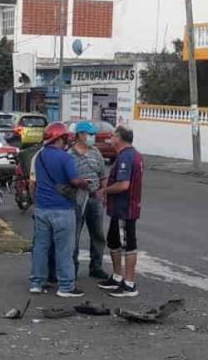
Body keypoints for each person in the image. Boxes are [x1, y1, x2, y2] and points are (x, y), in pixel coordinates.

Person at [29, 122, 88, 298]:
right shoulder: (65, 158)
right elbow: (74, 180)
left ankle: (36, 283)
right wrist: (85, 183)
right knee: (64, 249)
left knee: (40, 246)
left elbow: (35, 182)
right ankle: (66, 286)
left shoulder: (39, 156)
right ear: (60, 139)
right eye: (65, 139)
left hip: (42, 208)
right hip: (62, 209)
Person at [96, 125, 144, 298]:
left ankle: (129, 283)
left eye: (113, 135)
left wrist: (104, 191)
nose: (111, 138)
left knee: (127, 245)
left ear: (120, 138)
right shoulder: (127, 155)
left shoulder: (127, 157)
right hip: (117, 209)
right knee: (114, 241)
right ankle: (117, 277)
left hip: (125, 209)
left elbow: (124, 185)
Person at [70, 121, 109, 280]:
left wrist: (103, 193)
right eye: (89, 134)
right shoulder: (69, 155)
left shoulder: (96, 153)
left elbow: (103, 176)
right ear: (80, 135)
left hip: (94, 198)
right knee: (74, 236)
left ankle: (96, 266)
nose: (92, 137)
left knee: (98, 234)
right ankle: (72, 268)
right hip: (77, 199)